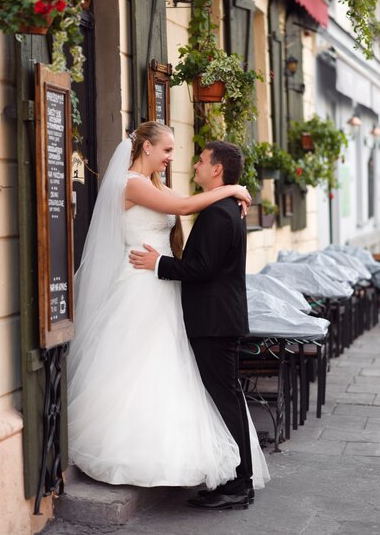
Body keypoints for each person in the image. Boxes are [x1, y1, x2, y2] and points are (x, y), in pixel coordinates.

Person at [67, 121, 261, 497]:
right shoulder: (132, 183)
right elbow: (187, 205)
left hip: (166, 287)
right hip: (141, 281)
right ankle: (131, 451)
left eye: (175, 151)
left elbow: (188, 204)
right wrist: (234, 189)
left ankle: (221, 471)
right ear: (146, 149)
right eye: (168, 150)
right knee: (137, 364)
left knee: (171, 367)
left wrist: (227, 193)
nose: (173, 157)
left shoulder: (155, 185)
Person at [130, 140, 270, 510]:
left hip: (214, 321)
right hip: (218, 319)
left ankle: (240, 485)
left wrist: (159, 263)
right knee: (225, 396)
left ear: (217, 170)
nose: (194, 165)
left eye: (201, 161)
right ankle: (235, 480)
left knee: (225, 397)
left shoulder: (219, 213)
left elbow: (200, 269)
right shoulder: (226, 208)